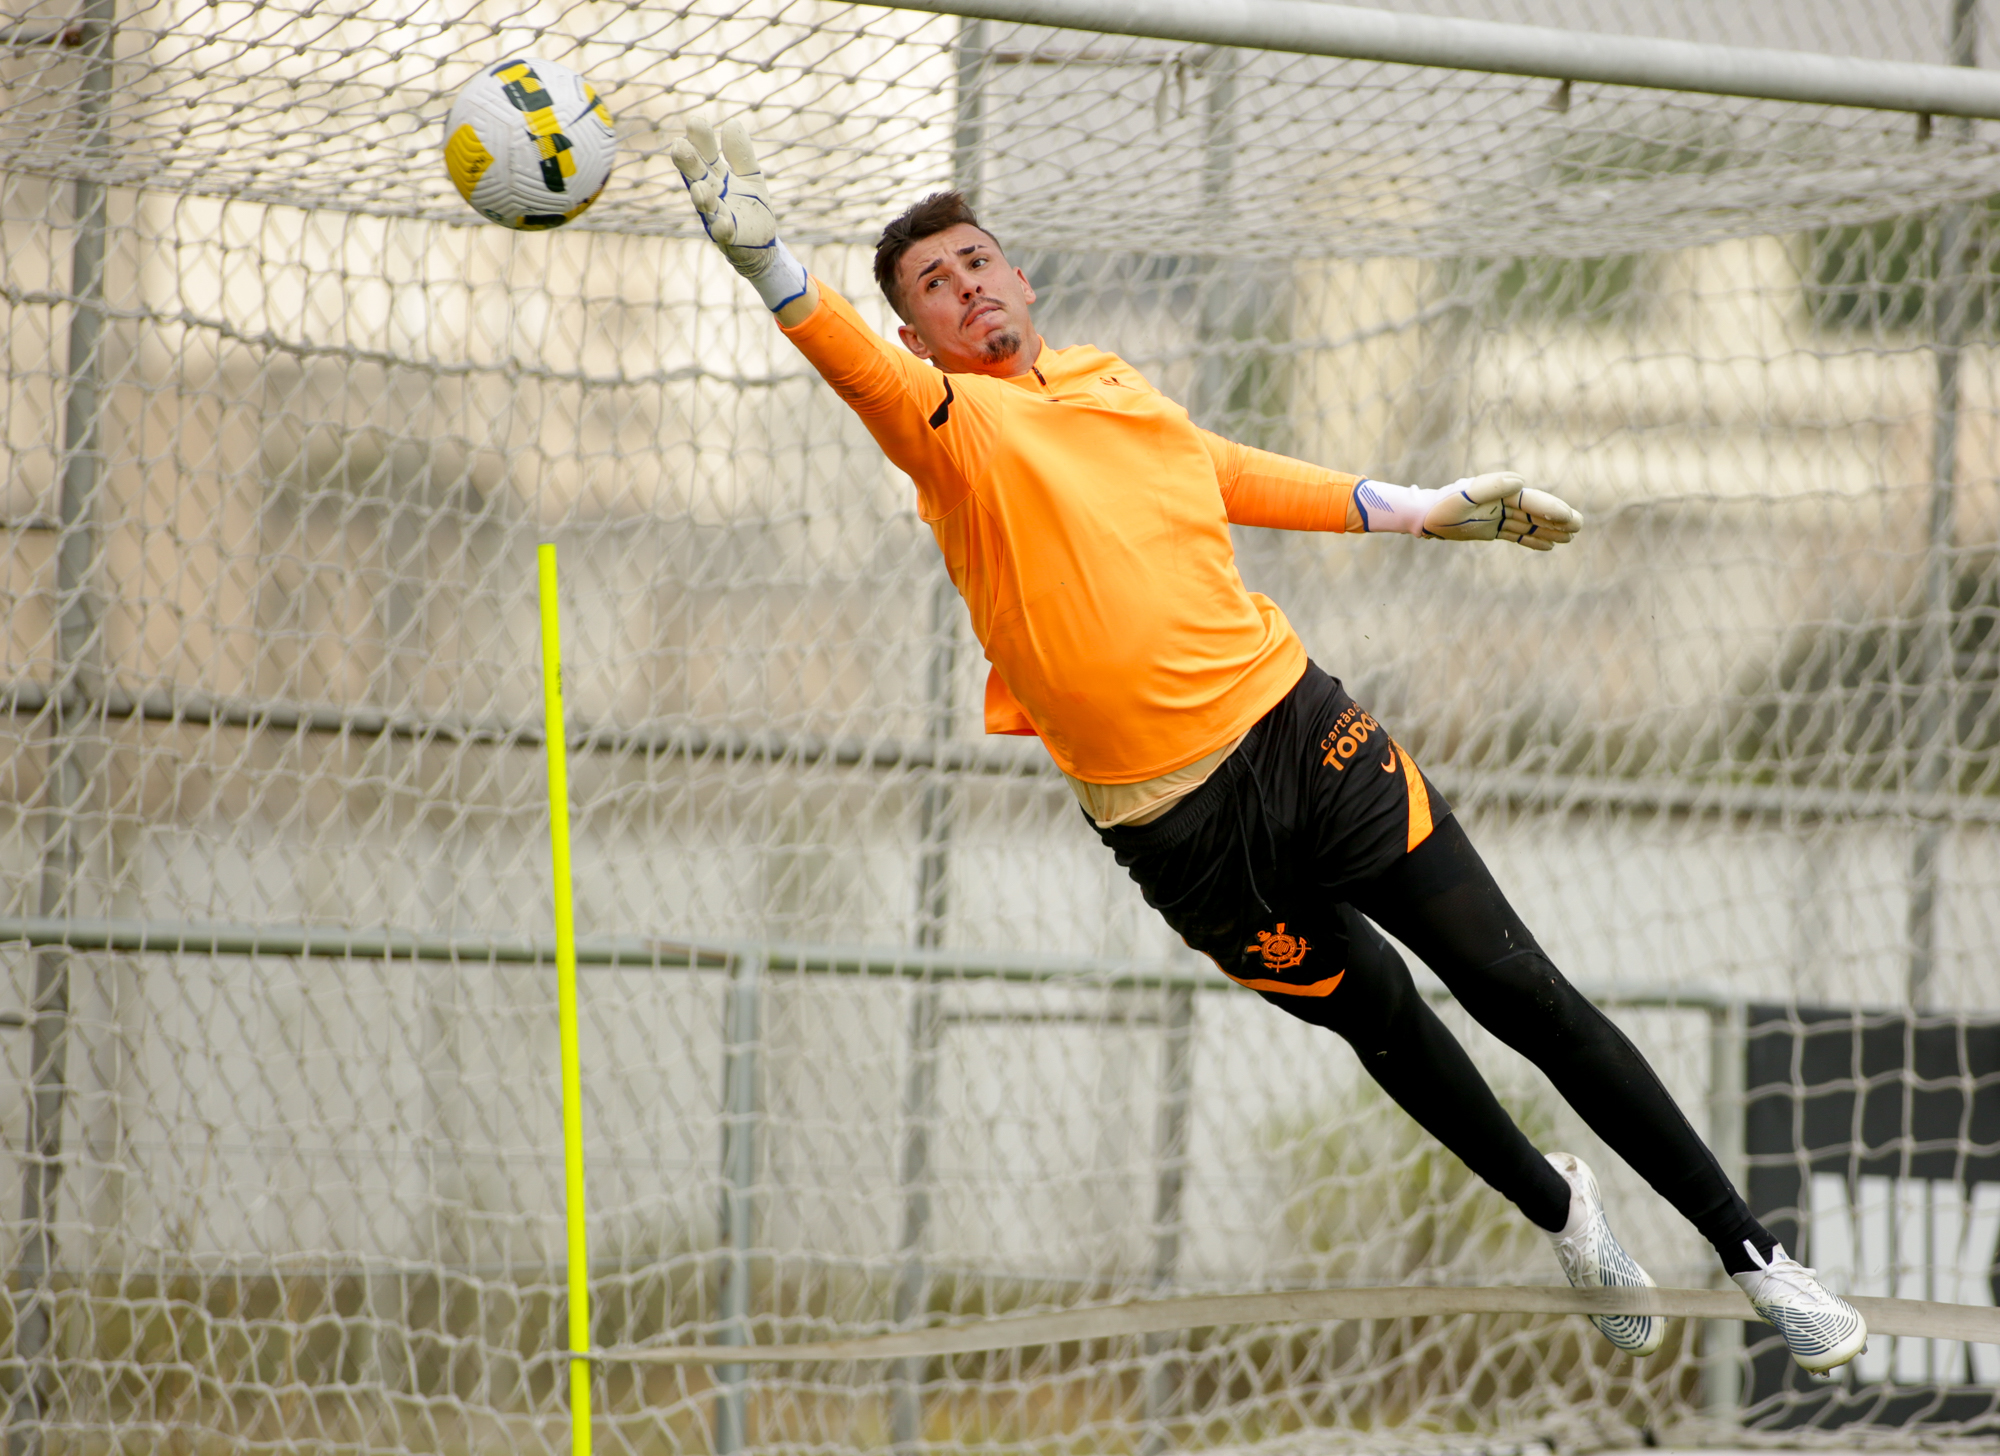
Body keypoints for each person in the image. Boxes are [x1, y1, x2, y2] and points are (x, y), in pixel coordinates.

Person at [669, 117, 1867, 1375]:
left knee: (1518, 989)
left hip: (1303, 733)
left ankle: (1753, 1257)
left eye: (978, 262)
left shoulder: (1112, 385)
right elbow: (853, 370)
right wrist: (776, 275)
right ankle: (1566, 1215)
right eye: (934, 285)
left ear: (1021, 282)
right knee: (1387, 1023)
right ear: (922, 338)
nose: (966, 286)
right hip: (1174, 830)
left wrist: (1419, 508)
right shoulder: (948, 427)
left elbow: (1219, 471)